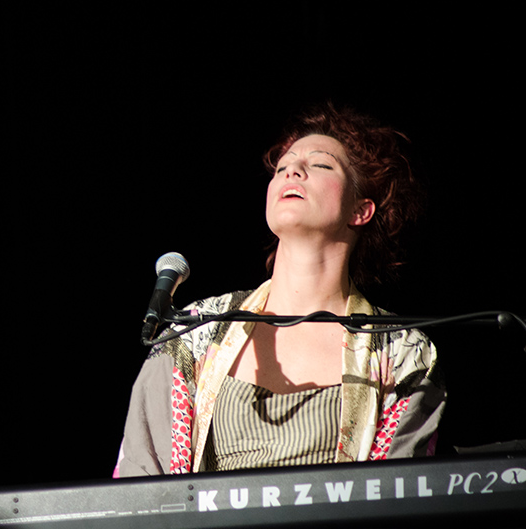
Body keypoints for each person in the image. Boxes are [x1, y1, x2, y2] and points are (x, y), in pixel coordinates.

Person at [114, 103, 445, 477]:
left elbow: (397, 495)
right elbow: (143, 484)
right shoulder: (197, 332)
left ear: (361, 210)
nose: (292, 170)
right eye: (282, 167)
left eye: (320, 164)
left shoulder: (402, 352)